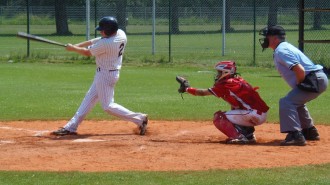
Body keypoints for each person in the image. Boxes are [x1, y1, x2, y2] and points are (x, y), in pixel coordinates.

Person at [51, 16, 148, 136]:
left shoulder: (107, 44)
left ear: (108, 31)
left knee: (108, 106)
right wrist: (75, 46)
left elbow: (87, 53)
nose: (100, 31)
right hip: (107, 73)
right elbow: (93, 41)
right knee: (88, 100)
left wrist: (73, 49)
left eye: (102, 29)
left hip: (105, 75)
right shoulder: (120, 34)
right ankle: (71, 127)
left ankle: (139, 119)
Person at [259, 25, 328, 146]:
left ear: (275, 38)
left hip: (313, 79)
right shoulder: (283, 48)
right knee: (295, 102)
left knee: (287, 102)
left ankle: (295, 135)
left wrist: (300, 84)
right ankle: (309, 131)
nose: (265, 39)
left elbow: (299, 70)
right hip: (317, 78)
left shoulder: (281, 50)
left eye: (267, 36)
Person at [178, 61, 269, 144]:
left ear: (226, 72)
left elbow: (202, 93)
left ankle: (240, 137)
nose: (217, 75)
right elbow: (236, 105)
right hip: (259, 114)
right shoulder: (237, 80)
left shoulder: (226, 84)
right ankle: (248, 136)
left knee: (219, 117)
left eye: (219, 72)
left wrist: (187, 89)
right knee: (233, 113)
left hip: (253, 114)